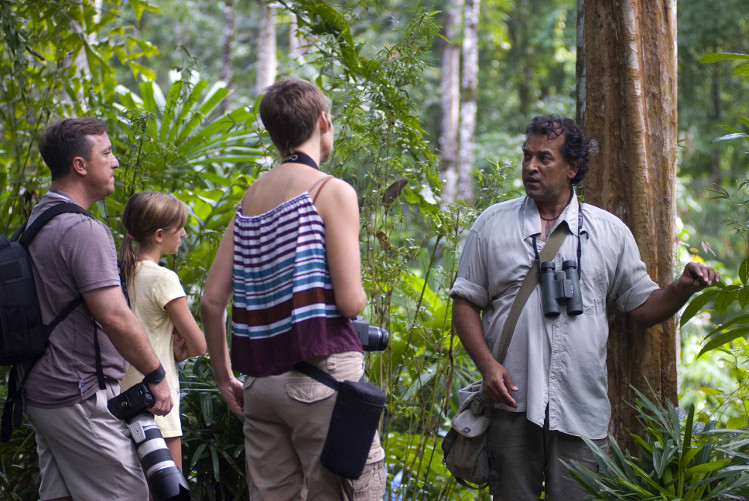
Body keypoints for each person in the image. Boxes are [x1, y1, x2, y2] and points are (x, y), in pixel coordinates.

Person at [449, 114, 720, 500]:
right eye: (527, 156)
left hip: (580, 408)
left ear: (573, 167)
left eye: (545, 158)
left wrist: (683, 287)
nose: (530, 166)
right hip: (511, 405)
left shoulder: (610, 232)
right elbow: (464, 304)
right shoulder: (491, 225)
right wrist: (487, 366)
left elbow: (641, 307)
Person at [201, 77, 386, 500]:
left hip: (261, 387)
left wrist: (225, 377)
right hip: (322, 380)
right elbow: (350, 300)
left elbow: (212, 302)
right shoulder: (330, 190)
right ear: (323, 121)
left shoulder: (249, 199)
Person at [23, 117, 173, 501]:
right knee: (129, 494)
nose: (116, 162)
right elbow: (113, 315)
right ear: (80, 165)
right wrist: (155, 375)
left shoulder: (39, 219)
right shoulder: (82, 230)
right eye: (106, 153)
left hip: (42, 389)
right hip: (78, 395)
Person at [119, 191, 207, 471]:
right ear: (159, 234)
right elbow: (199, 345)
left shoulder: (119, 273)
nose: (182, 234)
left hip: (122, 399)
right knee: (169, 489)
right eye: (178, 228)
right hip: (158, 401)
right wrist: (179, 350)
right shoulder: (163, 278)